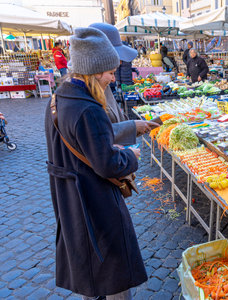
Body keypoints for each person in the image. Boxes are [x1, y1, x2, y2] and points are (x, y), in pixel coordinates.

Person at [44, 27, 148, 299]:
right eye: (110, 72)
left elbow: (77, 147)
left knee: (87, 262)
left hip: (69, 196)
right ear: (94, 71)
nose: (113, 78)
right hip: (93, 198)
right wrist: (130, 156)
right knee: (111, 265)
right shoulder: (89, 108)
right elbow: (108, 165)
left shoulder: (58, 97)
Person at [89, 23, 154, 147]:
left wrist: (133, 126)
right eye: (111, 72)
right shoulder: (83, 100)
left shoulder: (101, 87)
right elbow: (98, 141)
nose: (113, 78)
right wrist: (127, 156)